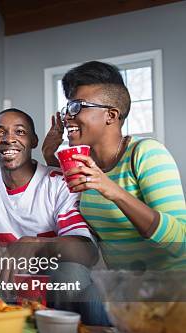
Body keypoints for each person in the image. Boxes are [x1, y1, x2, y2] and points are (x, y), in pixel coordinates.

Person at [0, 108, 108, 325]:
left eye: (20, 132)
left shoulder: (60, 183)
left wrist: (35, 244)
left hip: (48, 281)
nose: (8, 139)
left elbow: (86, 252)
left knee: (71, 273)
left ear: (33, 140)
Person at [42, 61, 185, 272]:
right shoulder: (86, 164)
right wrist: (48, 155)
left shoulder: (147, 153)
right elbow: (69, 195)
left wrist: (113, 190)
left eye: (77, 106)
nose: (67, 117)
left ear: (111, 115)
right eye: (67, 108)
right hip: (124, 291)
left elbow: (180, 240)